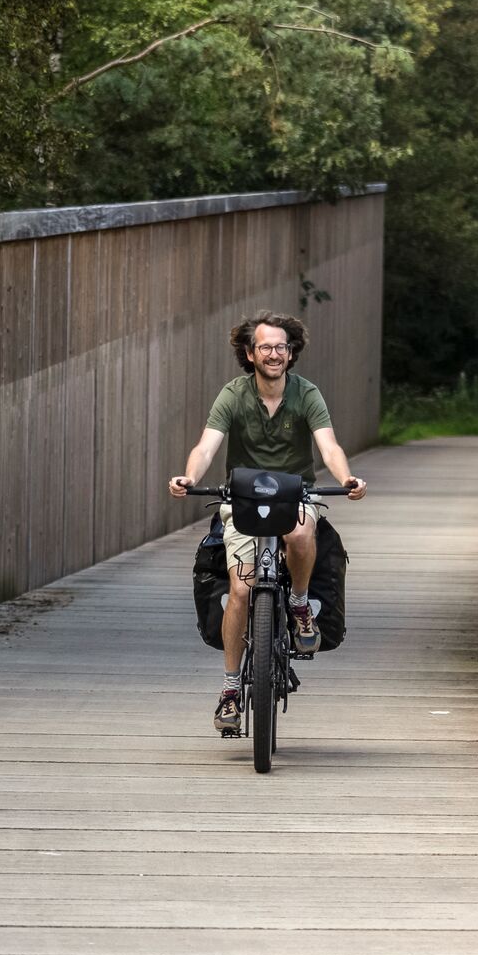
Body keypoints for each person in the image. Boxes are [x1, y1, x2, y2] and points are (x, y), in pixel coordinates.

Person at [169, 311, 367, 732]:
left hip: (296, 494)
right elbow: (207, 445)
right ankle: (228, 690)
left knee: (300, 531)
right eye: (265, 347)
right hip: (242, 499)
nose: (274, 354)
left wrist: (345, 477)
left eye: (282, 347)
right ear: (249, 353)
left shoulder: (306, 393)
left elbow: (327, 445)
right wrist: (190, 477)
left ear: (291, 352)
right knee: (240, 589)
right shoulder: (233, 395)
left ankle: (297, 602)